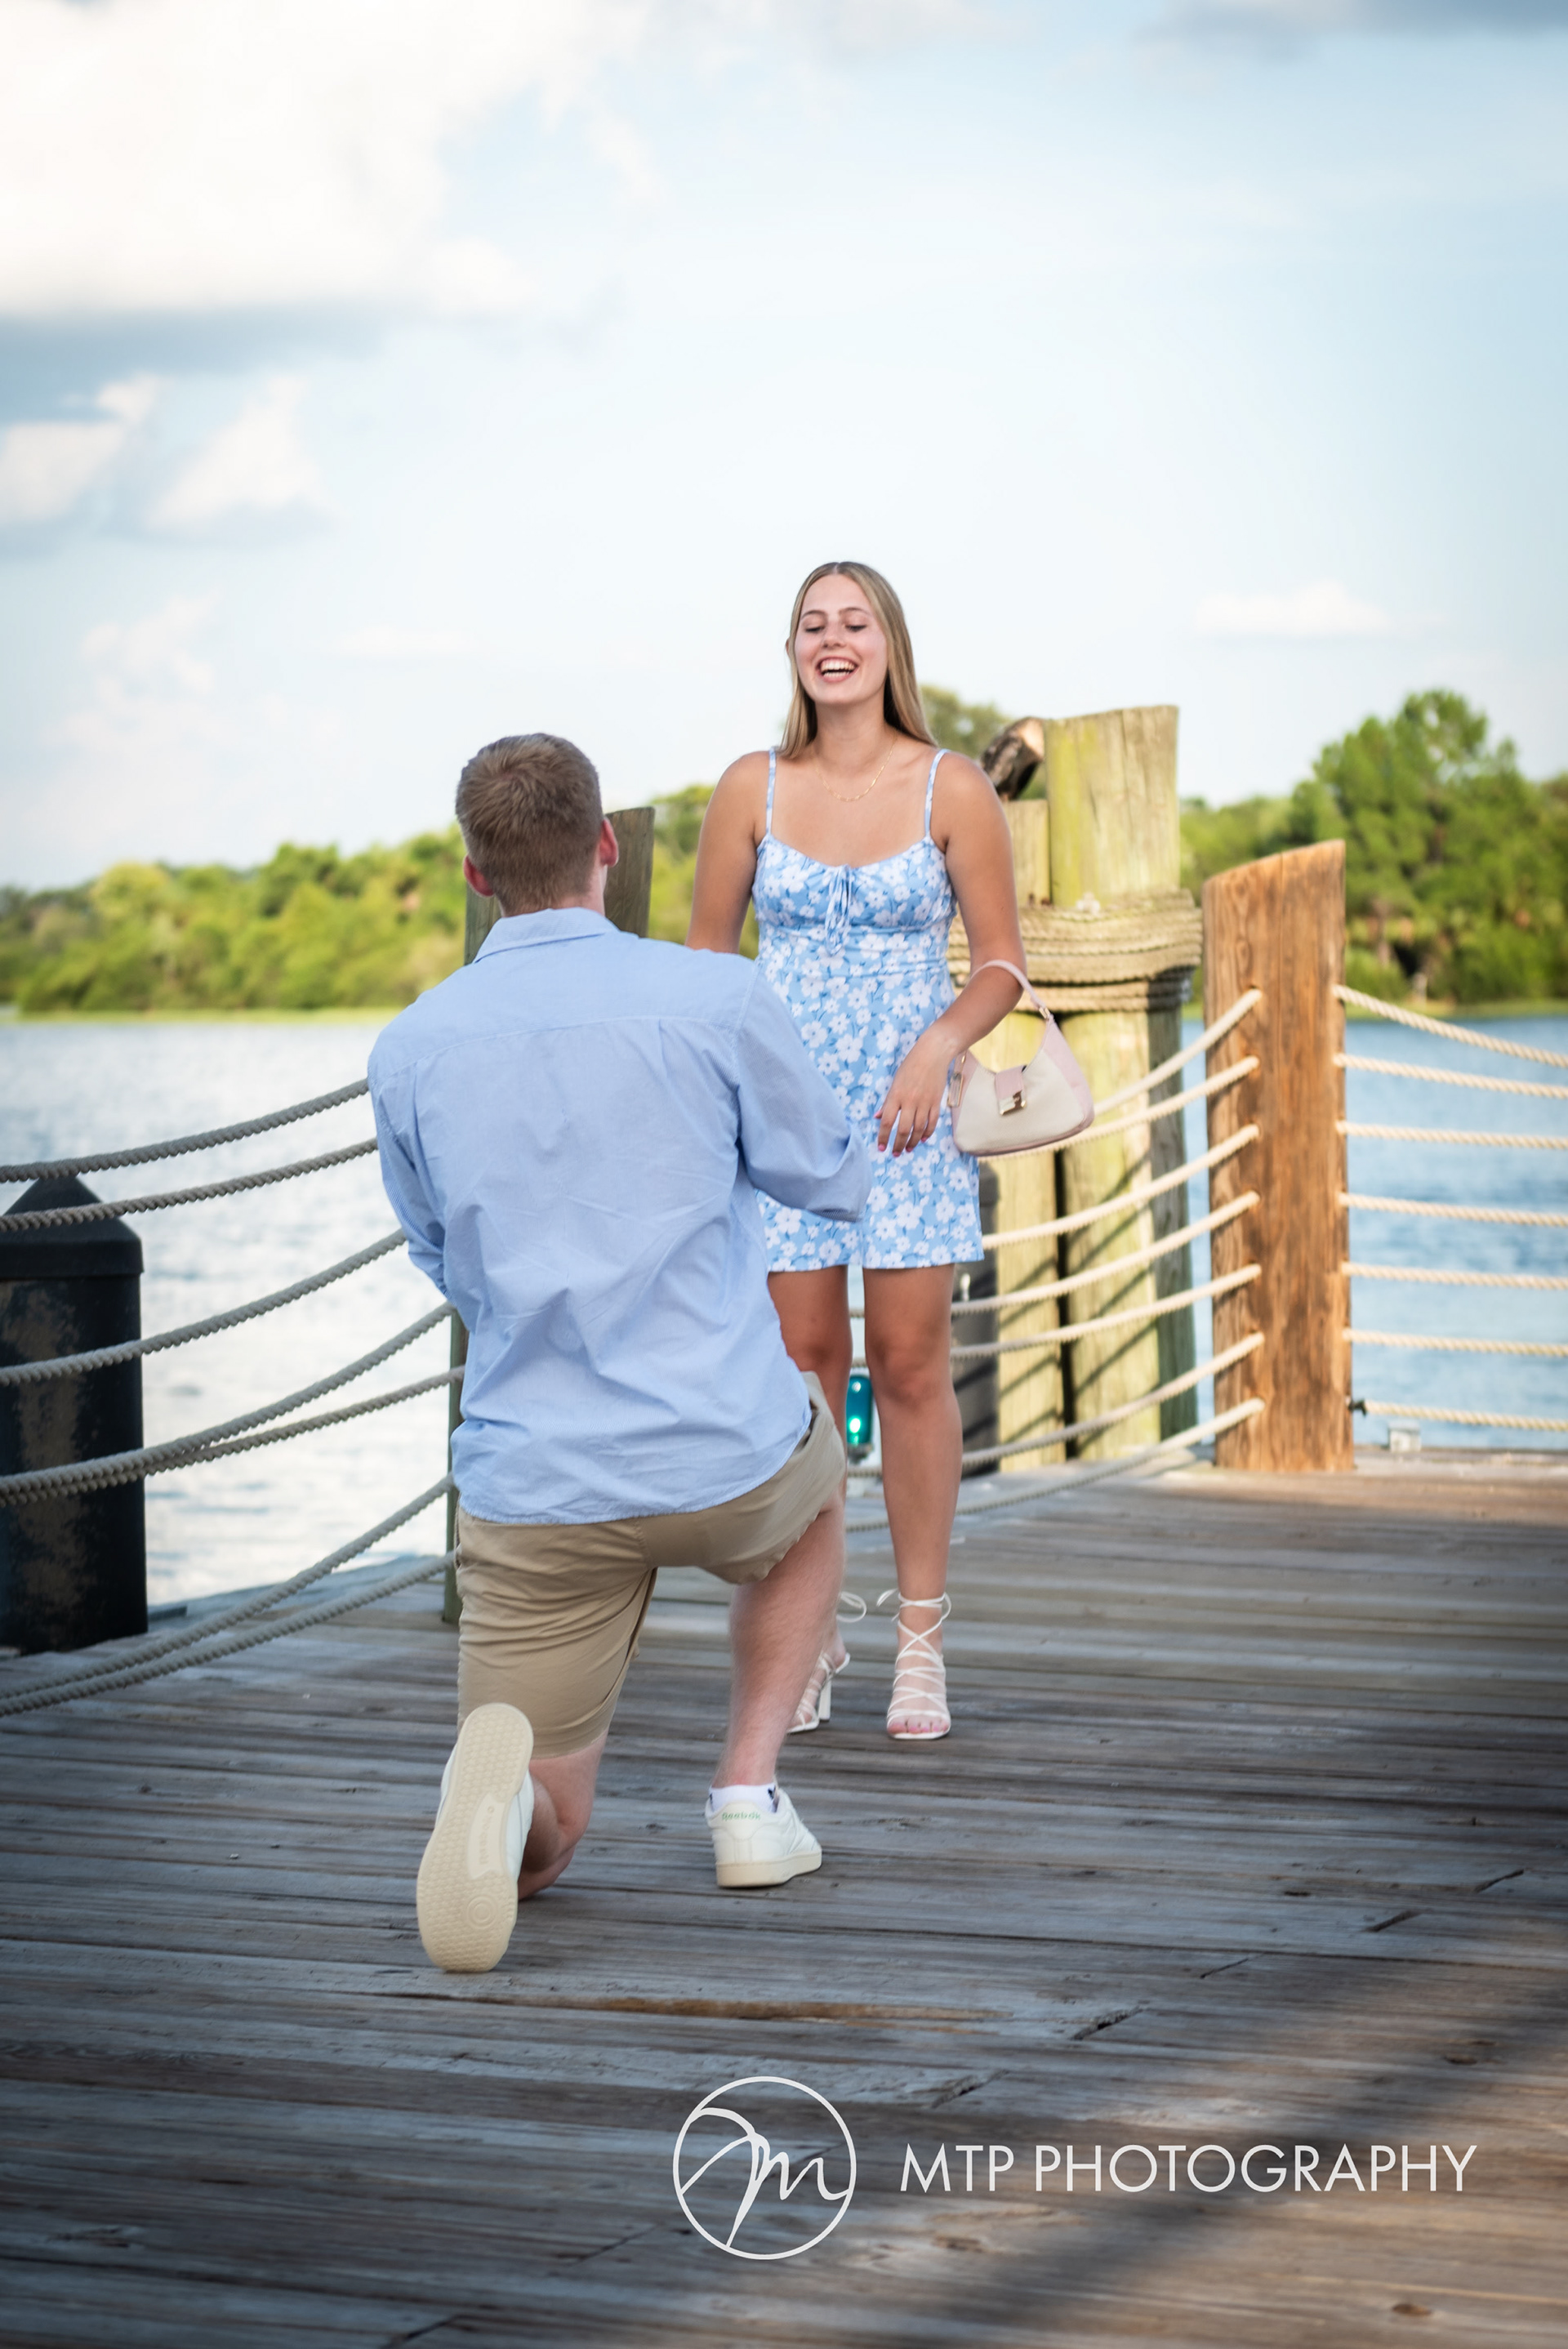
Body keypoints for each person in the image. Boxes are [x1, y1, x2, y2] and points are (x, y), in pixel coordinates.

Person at [368, 732, 870, 1974]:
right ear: (604, 846)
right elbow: (830, 1176)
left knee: (551, 1831)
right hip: (725, 1454)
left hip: (539, 1489)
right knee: (815, 1479)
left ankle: (506, 1808)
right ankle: (747, 1796)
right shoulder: (716, 997)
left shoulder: (411, 1049)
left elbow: (438, 1250)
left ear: (476, 873)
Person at [687, 562, 1027, 1743]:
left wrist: (939, 1044)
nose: (835, 641)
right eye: (814, 625)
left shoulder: (953, 786)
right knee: (801, 1367)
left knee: (913, 1361)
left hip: (910, 1114)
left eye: (856, 622)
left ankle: (921, 1641)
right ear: (791, 651)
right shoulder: (750, 790)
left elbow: (1002, 964)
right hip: (781, 1122)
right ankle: (811, 1629)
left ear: (891, 647)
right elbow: (706, 972)